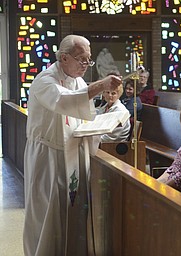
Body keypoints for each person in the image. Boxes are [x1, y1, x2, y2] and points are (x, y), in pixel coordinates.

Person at [23, 34, 122, 256]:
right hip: (48, 155)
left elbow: (81, 113)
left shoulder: (76, 79)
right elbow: (64, 101)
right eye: (82, 60)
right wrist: (101, 85)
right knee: (49, 213)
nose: (86, 65)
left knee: (73, 211)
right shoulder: (44, 80)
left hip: (73, 152)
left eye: (89, 60)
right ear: (64, 57)